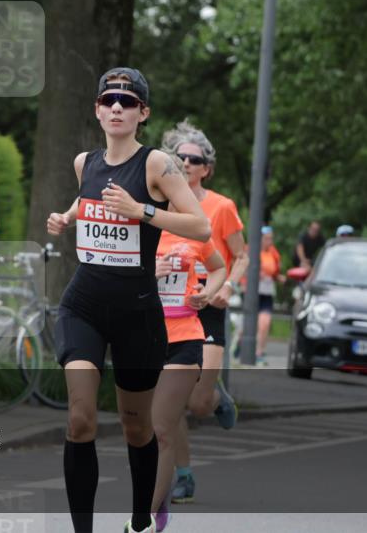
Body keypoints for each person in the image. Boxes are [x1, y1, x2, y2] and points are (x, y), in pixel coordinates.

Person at [46, 67, 211, 533]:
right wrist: (67, 216)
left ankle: (141, 519)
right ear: (97, 110)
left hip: (138, 310)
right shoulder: (84, 162)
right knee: (80, 418)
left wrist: (143, 212)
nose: (117, 107)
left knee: (137, 428)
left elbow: (201, 226)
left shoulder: (158, 164)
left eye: (128, 101)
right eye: (109, 100)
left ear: (143, 113)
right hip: (84, 304)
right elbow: (91, 199)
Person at [158, 121, 249, 505]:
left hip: (207, 306)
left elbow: (241, 255)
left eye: (194, 159)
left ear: (206, 168)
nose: (186, 163)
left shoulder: (221, 207)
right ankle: (184, 474)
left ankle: (215, 397)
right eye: (179, 157)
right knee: (173, 400)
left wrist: (226, 287)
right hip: (166, 310)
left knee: (197, 403)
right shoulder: (158, 204)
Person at [151, 204, 226, 532]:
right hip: (142, 338)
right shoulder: (139, 228)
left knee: (162, 426)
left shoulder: (195, 229)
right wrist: (149, 271)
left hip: (185, 337)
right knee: (139, 429)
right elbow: (110, 274)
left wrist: (207, 293)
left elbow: (219, 267)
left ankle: (151, 511)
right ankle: (160, 490)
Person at [255, 225, 286, 365]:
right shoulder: (252, 250)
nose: (269, 241)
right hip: (252, 292)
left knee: (264, 323)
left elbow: (274, 271)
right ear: (260, 239)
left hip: (267, 291)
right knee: (245, 326)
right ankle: (240, 345)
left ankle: (259, 352)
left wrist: (279, 277)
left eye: (271, 239)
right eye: (267, 239)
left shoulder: (274, 253)